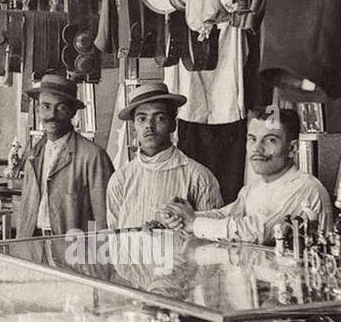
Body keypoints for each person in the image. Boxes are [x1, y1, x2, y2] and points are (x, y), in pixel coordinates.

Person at [161, 107, 333, 243]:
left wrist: (194, 223)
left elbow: (258, 232)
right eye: (252, 139)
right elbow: (225, 215)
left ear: (293, 148)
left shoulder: (305, 188)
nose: (257, 149)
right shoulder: (254, 188)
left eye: (270, 140)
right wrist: (186, 215)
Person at [106, 82, 222, 228]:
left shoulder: (199, 177)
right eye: (142, 119)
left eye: (159, 118)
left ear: (173, 124)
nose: (149, 126)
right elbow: (115, 237)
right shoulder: (120, 180)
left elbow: (212, 239)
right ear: (133, 128)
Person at [16, 72, 114, 238]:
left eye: (60, 107)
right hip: (33, 246)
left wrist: (92, 257)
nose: (52, 115)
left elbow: (103, 221)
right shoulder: (34, 154)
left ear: (73, 112)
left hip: (73, 251)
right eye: (45, 106)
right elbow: (26, 210)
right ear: (38, 109)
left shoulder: (92, 156)